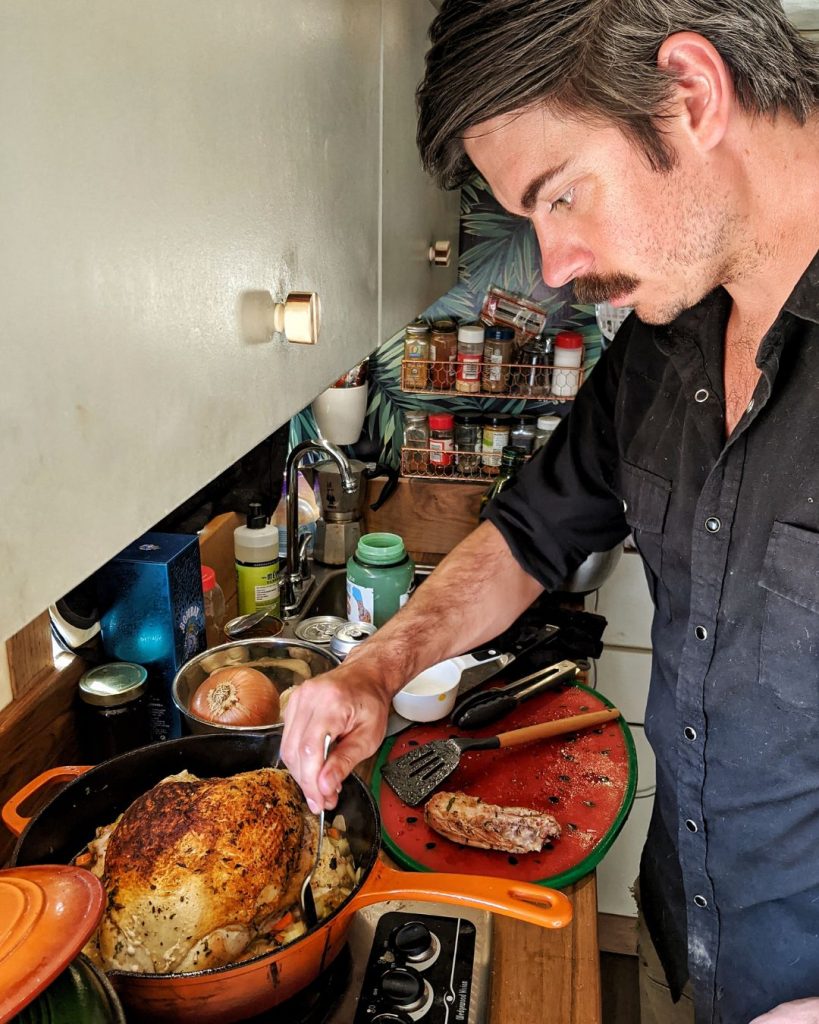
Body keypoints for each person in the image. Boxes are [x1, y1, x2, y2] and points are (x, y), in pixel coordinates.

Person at [281, 2, 819, 1021]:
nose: (557, 263)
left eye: (562, 194)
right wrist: (377, 669)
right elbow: (530, 536)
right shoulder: (670, 331)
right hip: (698, 931)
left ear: (692, 92)